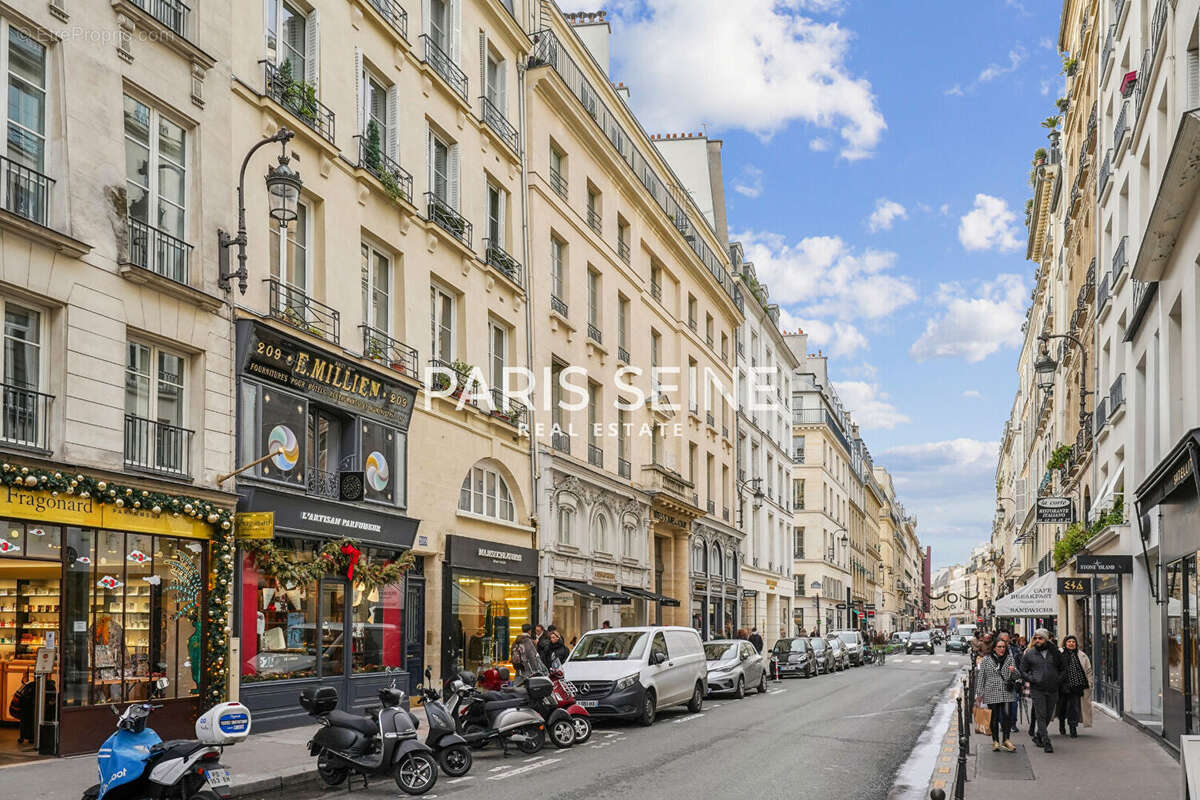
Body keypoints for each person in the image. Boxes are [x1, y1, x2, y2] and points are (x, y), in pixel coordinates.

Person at [1019, 628, 1063, 752]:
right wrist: (1032, 679)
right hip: (1037, 689)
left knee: (1048, 715)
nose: (1037, 640)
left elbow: (1063, 668)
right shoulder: (1030, 653)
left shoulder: (1055, 652)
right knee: (1041, 714)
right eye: (1036, 638)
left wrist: (1058, 680)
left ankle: (1038, 735)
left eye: (1040, 638)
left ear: (1046, 639)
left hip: (1053, 688)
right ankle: (1046, 740)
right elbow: (1022, 670)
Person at [977, 637, 1021, 752]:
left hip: (1006, 691)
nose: (1002, 649)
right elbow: (981, 677)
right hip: (991, 691)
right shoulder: (986, 660)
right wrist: (979, 694)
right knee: (994, 718)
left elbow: (1017, 676)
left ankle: (1006, 740)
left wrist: (1014, 671)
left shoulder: (1010, 658)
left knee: (1007, 716)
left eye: (1003, 647)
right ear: (994, 648)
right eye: (999, 647)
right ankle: (995, 741)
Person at [1056, 635, 1092, 737]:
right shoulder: (1060, 654)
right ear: (1065, 643)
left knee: (1074, 708)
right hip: (1063, 686)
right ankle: (1062, 724)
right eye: (1069, 642)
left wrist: (1090, 682)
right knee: (1062, 707)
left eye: (1073, 642)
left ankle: (1073, 728)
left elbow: (1088, 670)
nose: (1071, 643)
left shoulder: (1082, 655)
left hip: (1077, 686)